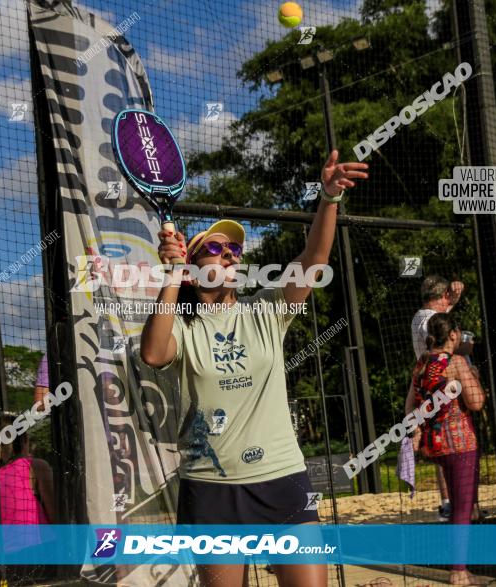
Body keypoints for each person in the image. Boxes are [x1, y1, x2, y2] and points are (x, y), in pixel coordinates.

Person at [141, 150, 368, 587]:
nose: (229, 255)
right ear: (192, 268)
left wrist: (328, 197)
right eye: (213, 248)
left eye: (234, 249)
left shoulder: (265, 310)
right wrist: (170, 274)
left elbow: (314, 259)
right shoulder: (183, 327)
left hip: (282, 478)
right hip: (212, 489)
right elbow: (152, 354)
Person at [408, 313, 486, 586]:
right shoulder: (455, 362)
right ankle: (458, 571)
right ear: (453, 334)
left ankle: (461, 564)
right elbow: (476, 403)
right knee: (464, 507)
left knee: (457, 505)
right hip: (461, 441)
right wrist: (473, 378)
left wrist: (420, 431)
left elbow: (410, 409)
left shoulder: (421, 364)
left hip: (435, 444)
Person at [409, 275, 464, 521]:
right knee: (447, 442)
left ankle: (449, 501)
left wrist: (454, 300)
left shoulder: (419, 317)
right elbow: (442, 332)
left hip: (427, 383)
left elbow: (439, 319)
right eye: (446, 301)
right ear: (441, 297)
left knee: (439, 441)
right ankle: (451, 501)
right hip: (440, 383)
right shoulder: (430, 321)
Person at [0, 419, 56, 585]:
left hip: (7, 556)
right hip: (39, 550)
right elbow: (54, 513)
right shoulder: (36, 465)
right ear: (25, 440)